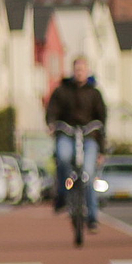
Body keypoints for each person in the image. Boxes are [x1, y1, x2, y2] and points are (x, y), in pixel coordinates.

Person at [45, 57, 106, 218]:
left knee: (88, 173)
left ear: (87, 71)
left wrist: (102, 148)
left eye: (82, 69)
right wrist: (51, 124)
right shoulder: (62, 90)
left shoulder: (94, 93)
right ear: (73, 71)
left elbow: (102, 121)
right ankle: (63, 194)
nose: (79, 72)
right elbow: (52, 110)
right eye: (77, 69)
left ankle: (92, 215)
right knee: (63, 156)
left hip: (89, 137)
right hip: (67, 134)